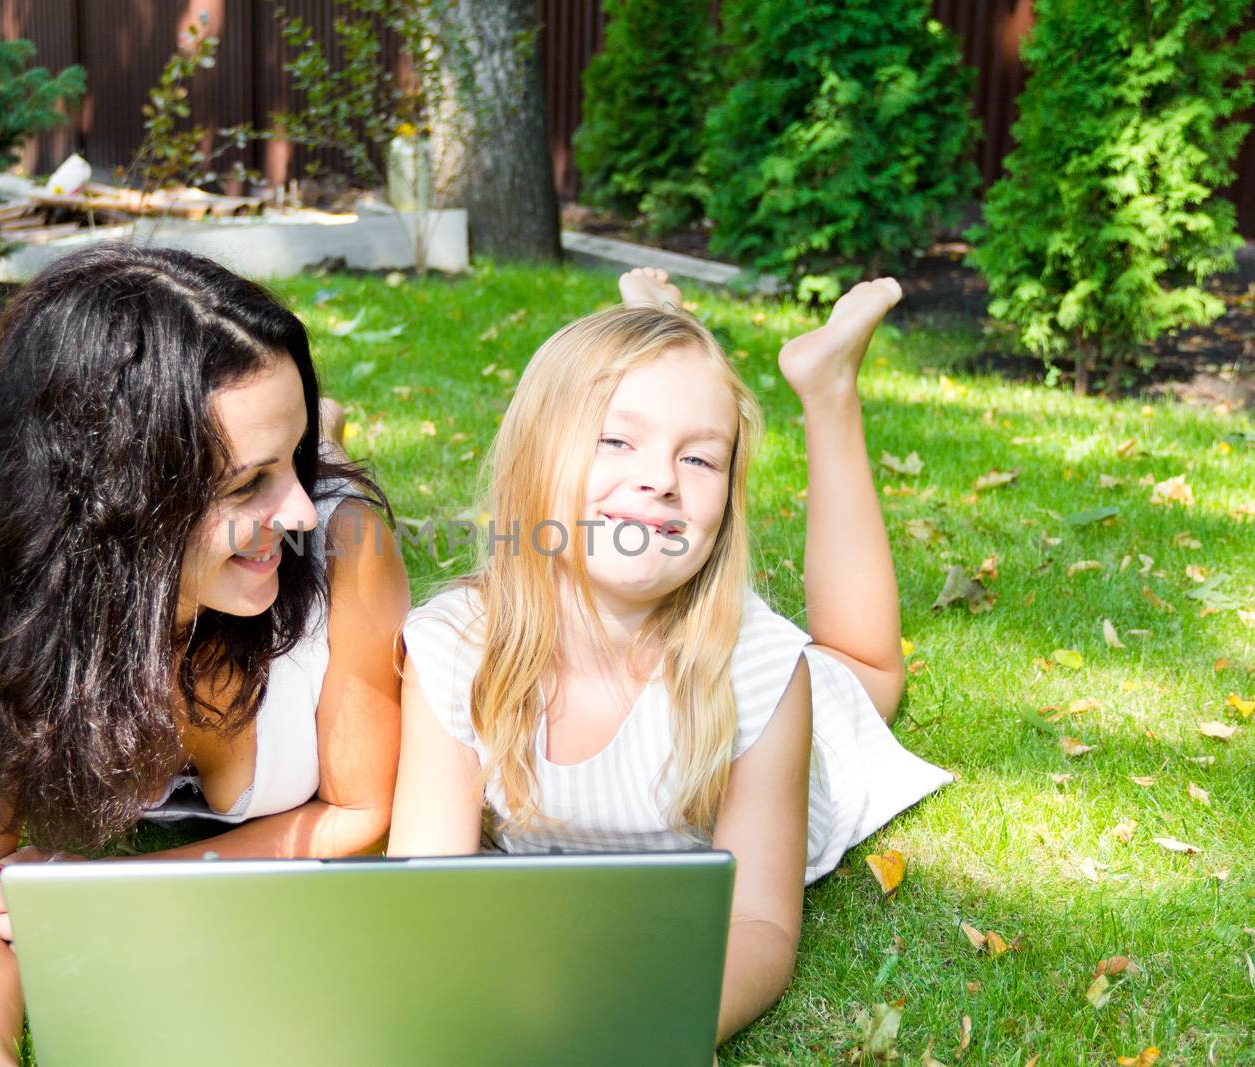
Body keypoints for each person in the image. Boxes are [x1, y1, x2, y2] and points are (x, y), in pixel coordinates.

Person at [387, 269, 952, 1044]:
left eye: (700, 459)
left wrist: (649, 1032)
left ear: (725, 505)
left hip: (771, 713)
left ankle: (827, 388)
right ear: (531, 460)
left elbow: (756, 922)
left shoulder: (762, 668)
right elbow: (422, 899)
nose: (658, 479)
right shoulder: (454, 649)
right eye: (616, 438)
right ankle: (668, 344)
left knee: (864, 670)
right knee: (670, 396)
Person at [0, 243, 409, 1067]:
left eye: (290, 465)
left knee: (330, 495)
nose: (298, 513)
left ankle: (324, 438)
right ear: (119, 497)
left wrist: (124, 884)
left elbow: (362, 814)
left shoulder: (345, 546)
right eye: (249, 483)